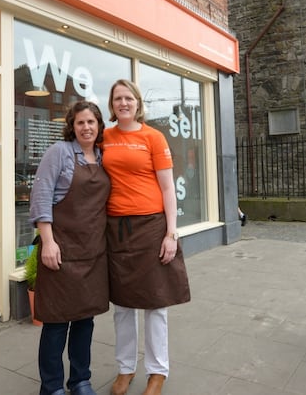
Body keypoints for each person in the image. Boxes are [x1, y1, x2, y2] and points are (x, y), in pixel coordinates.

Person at [102, 79, 191, 395]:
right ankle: (125, 369)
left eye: (128, 98)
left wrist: (171, 233)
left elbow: (168, 189)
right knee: (123, 306)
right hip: (117, 230)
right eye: (117, 99)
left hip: (152, 227)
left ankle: (157, 371)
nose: (123, 103)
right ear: (112, 106)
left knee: (156, 303)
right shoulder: (104, 138)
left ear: (138, 103)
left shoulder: (154, 137)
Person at [29, 101, 111, 395]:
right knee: (55, 323)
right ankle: (51, 387)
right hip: (61, 250)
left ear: (99, 125)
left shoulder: (104, 157)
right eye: (80, 123)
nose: (86, 127)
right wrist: (48, 242)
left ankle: (80, 380)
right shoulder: (59, 153)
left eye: (91, 122)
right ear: (72, 127)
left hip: (92, 252)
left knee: (84, 320)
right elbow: (40, 198)